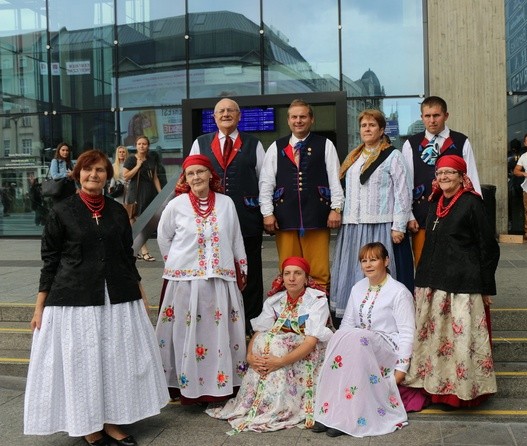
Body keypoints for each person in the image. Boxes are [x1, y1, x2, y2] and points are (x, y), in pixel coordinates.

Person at [24, 149, 169, 446]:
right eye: (88, 170)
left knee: (114, 361)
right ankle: (89, 426)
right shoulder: (61, 211)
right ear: (78, 174)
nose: (94, 175)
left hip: (116, 296)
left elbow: (126, 256)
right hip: (75, 300)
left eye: (100, 170)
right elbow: (50, 261)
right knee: (83, 364)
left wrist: (139, 291)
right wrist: (39, 307)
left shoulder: (117, 212)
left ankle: (112, 421)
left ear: (107, 175)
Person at [404, 155, 499, 408]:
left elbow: (488, 247)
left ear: (461, 177)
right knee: (437, 341)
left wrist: (486, 286)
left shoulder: (472, 204)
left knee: (460, 342)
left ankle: (459, 393)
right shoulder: (435, 203)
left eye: (450, 173)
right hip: (434, 282)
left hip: (463, 285)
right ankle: (435, 388)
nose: (444, 177)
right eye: (440, 173)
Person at [155, 154, 248, 407]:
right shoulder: (177, 205)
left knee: (216, 334)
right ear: (184, 179)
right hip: (186, 281)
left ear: (210, 175)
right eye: (190, 174)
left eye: (200, 172)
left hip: (219, 279)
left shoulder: (227, 203)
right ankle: (184, 385)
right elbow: (163, 237)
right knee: (187, 333)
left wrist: (241, 267)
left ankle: (220, 384)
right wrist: (177, 263)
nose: (195, 177)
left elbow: (236, 236)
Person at [207, 256, 333, 432]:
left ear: (306, 278)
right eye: (287, 273)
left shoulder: (317, 300)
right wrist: (250, 356)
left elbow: (311, 342)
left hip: (308, 352)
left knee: (277, 346)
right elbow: (259, 332)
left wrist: (280, 361)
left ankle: (282, 405)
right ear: (282, 277)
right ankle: (262, 403)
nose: (292, 278)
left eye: (298, 273)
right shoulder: (275, 300)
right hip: (279, 351)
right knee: (265, 342)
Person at [313, 242, 415, 437]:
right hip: (361, 343)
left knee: (358, 340)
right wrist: (341, 343)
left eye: (373, 259)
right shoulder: (358, 287)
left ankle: (348, 419)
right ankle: (330, 413)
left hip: (387, 347)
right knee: (340, 337)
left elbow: (407, 332)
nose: (368, 265)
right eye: (364, 260)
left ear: (386, 261)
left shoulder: (399, 292)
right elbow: (347, 323)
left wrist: (401, 369)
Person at [190, 98, 266, 334]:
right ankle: (217, 325)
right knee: (216, 273)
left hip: (247, 219)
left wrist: (266, 214)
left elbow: (264, 182)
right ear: (214, 117)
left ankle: (251, 324)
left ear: (239, 116)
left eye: (230, 110)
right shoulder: (200, 143)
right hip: (210, 222)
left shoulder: (254, 143)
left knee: (250, 273)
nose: (225, 114)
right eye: (220, 111)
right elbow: (190, 179)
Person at [330, 109, 413, 320]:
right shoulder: (353, 156)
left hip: (380, 225)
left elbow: (403, 192)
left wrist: (399, 226)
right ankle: (355, 318)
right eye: (364, 126)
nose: (367, 129)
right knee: (354, 273)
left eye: (372, 125)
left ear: (382, 129)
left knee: (378, 272)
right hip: (353, 226)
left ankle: (381, 317)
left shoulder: (393, 156)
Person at [259, 99, 344, 289]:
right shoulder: (276, 146)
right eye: (294, 117)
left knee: (318, 270)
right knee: (289, 269)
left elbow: (335, 179)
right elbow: (266, 182)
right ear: (288, 120)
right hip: (285, 216)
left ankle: (319, 313)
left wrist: (336, 208)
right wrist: (267, 212)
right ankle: (292, 310)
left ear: (311, 119)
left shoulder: (325, 144)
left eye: (303, 116)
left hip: (317, 214)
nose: (298, 120)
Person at [402, 96, 481, 266]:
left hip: (456, 212)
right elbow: (405, 185)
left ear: (446, 115)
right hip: (421, 213)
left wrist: (476, 213)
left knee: (455, 262)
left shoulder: (461, 141)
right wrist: (408, 214)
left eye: (436, 115)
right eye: (427, 116)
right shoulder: (411, 144)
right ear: (422, 117)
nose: (432, 120)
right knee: (422, 264)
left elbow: (472, 177)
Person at [123, 135, 162, 261]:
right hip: (136, 193)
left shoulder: (151, 159)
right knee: (141, 223)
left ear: (148, 146)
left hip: (148, 192)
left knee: (135, 224)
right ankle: (144, 251)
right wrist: (137, 166)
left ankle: (133, 249)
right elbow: (126, 176)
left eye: (144, 144)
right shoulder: (131, 159)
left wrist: (160, 193)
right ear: (136, 145)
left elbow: (155, 177)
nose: (141, 146)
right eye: (139, 144)